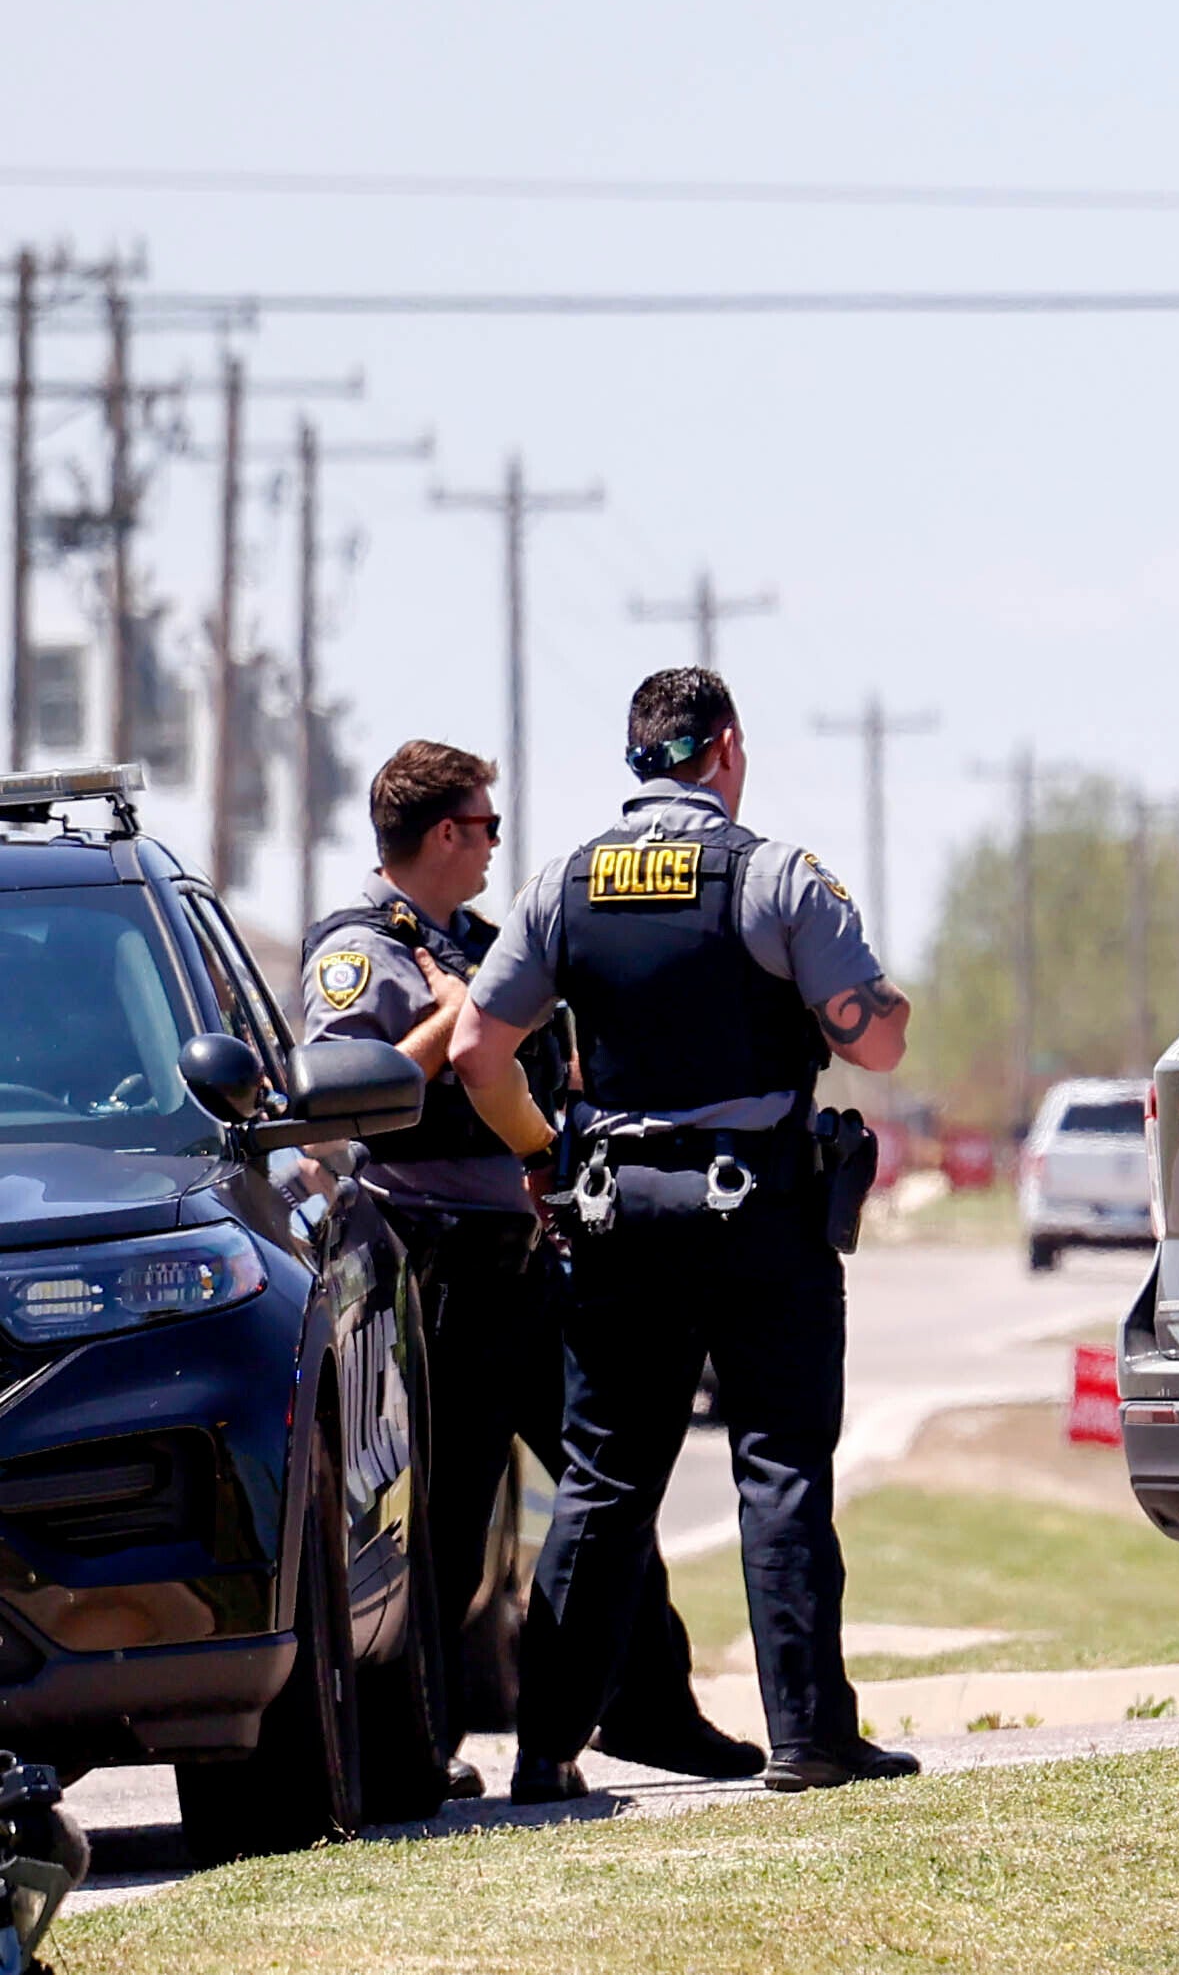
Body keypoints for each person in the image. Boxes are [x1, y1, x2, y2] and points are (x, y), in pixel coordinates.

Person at [451, 669, 922, 1801]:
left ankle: (547, 1748)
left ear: (637, 757)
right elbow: (878, 1047)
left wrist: (541, 1155)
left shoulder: (563, 885)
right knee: (779, 1465)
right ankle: (810, 1737)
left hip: (616, 1218)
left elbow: (478, 1047)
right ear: (726, 750)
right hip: (760, 1212)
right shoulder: (774, 879)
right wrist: (871, 1003)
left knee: (605, 1481)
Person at [305, 742, 762, 1793]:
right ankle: (412, 1751)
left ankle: (647, 1708)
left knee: (607, 1486)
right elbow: (346, 1089)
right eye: (486, 824)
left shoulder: (470, 941)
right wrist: (456, 1014)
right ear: (443, 834)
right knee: (448, 1522)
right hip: (434, 1268)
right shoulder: (359, 950)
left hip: (527, 1256)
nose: (497, 843)